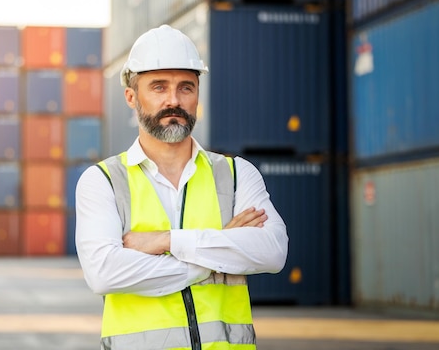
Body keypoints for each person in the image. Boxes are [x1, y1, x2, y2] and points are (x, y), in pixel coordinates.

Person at [75, 24, 288, 350]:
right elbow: (105, 273)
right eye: (158, 87)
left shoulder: (234, 174)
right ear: (131, 97)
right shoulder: (103, 181)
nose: (173, 100)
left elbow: (272, 252)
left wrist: (166, 241)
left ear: (197, 95)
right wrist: (217, 254)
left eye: (185, 88)